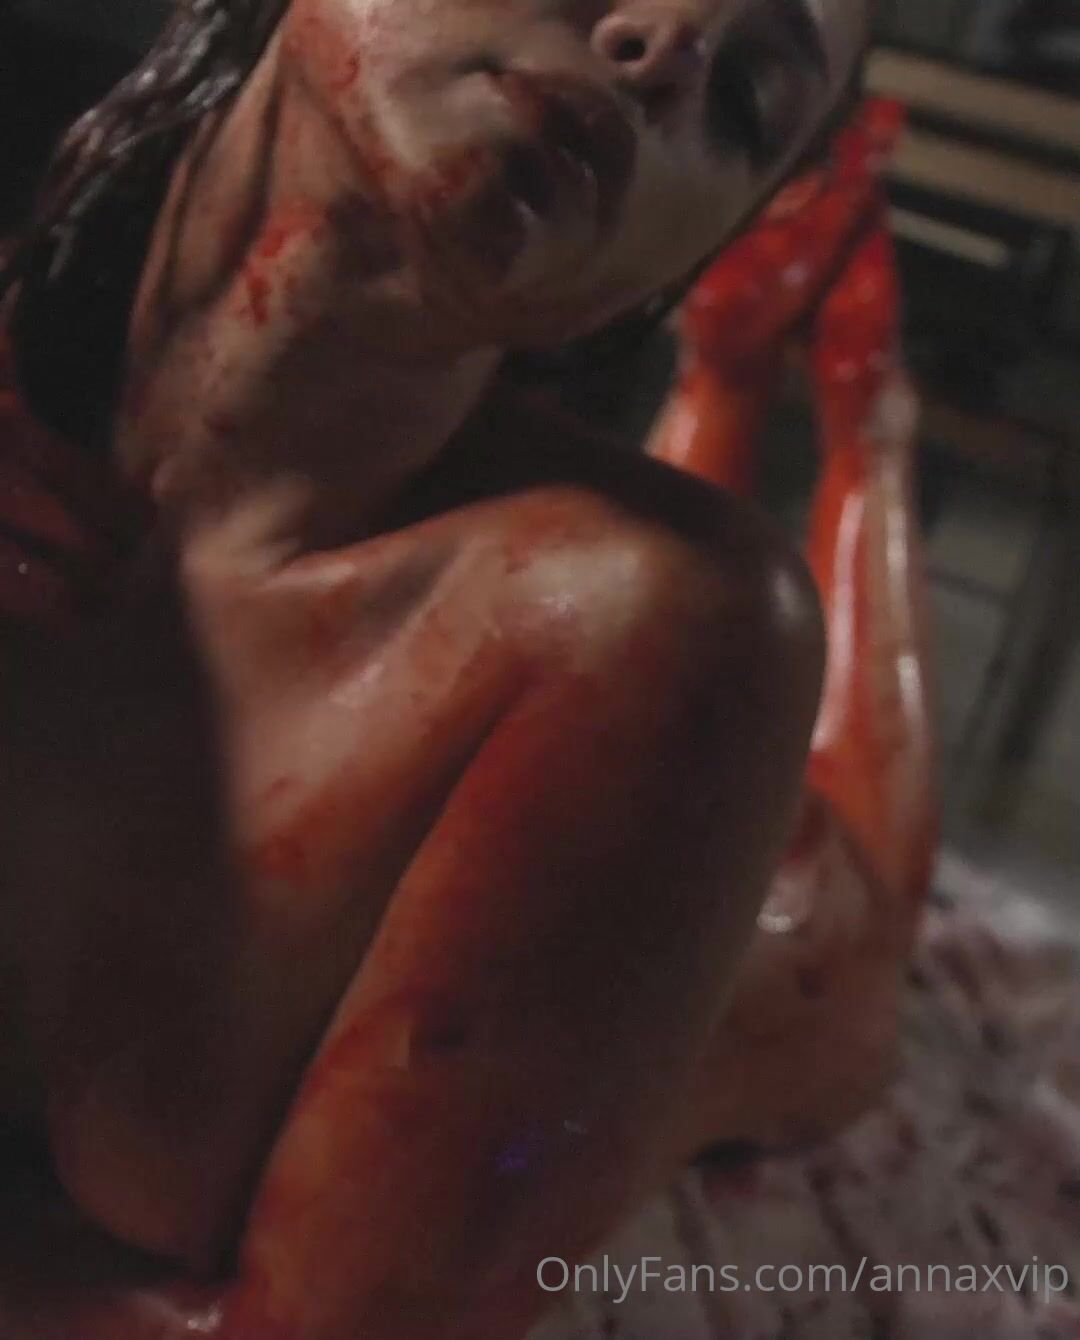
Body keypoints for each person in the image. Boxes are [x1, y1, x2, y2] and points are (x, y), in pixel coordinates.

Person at [0, 1, 876, 1337]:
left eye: (749, 97)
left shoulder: (628, 624)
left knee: (839, 945)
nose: (669, 46)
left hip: (745, 949)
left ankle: (850, 424)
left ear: (692, 251)